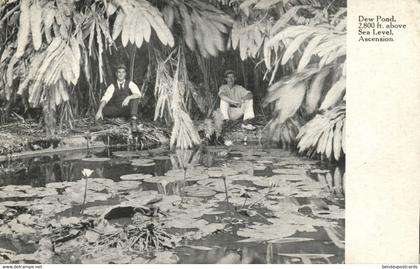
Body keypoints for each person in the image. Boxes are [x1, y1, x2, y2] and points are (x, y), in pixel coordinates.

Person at [95, 64, 141, 130]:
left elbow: (138, 94)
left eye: (123, 72)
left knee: (135, 99)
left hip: (128, 110)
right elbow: (105, 99)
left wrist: (128, 98)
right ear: (116, 74)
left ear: (125, 74)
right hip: (117, 109)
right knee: (102, 109)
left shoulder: (130, 83)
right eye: (119, 72)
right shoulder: (112, 86)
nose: (121, 74)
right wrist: (99, 111)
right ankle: (99, 125)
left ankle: (133, 122)